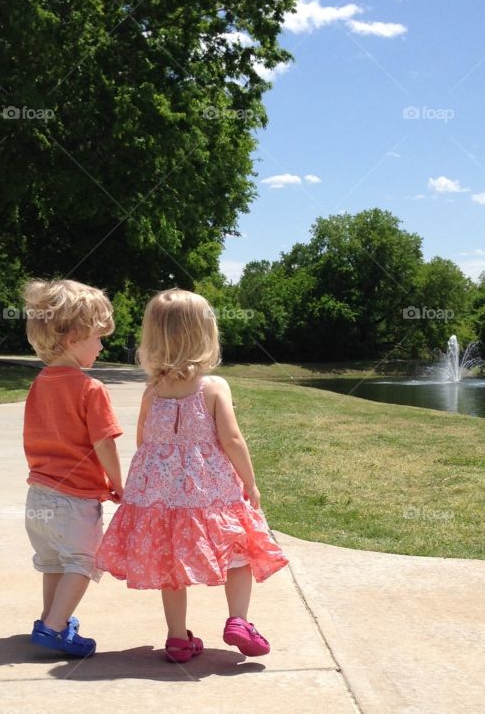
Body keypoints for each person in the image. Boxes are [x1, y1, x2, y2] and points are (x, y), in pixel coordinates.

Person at [95, 288, 287, 664]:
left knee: (171, 564)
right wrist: (250, 482)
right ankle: (238, 621)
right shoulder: (213, 387)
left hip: (164, 495)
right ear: (205, 335)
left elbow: (143, 439)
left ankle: (177, 638)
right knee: (238, 549)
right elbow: (232, 439)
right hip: (210, 491)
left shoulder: (153, 390)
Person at [22, 278, 124, 658]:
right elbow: (104, 442)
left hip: (37, 497)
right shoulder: (90, 388)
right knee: (82, 561)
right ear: (74, 336)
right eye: (98, 337)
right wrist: (117, 483)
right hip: (74, 500)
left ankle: (53, 618)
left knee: (53, 562)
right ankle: (52, 628)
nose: (101, 345)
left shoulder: (39, 384)